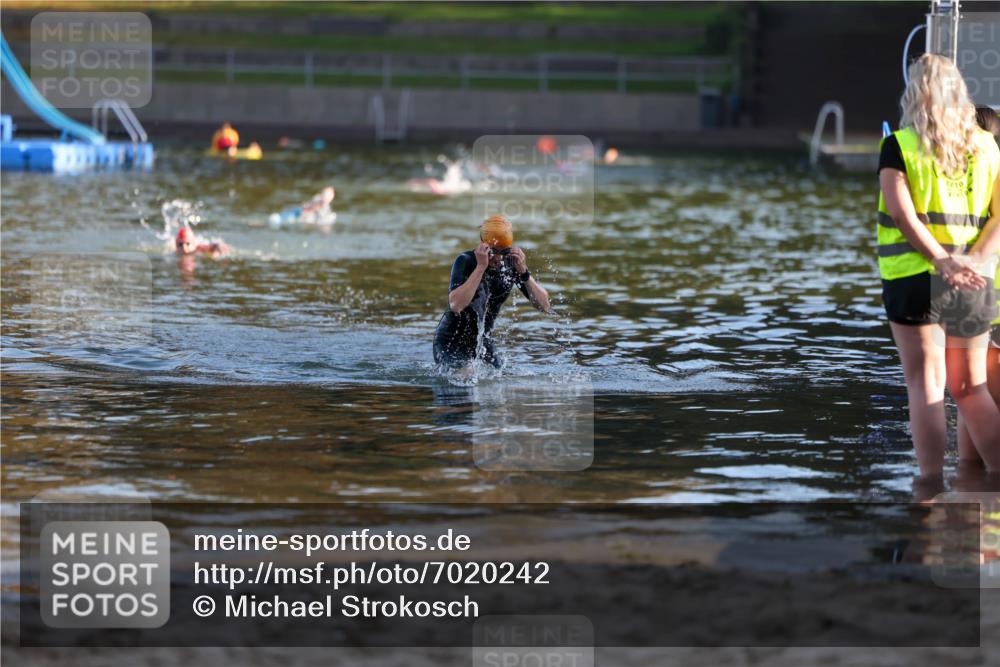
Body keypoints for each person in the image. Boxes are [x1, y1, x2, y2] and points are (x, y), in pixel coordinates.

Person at [877, 55, 1000, 478]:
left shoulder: (900, 145)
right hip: (973, 280)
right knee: (970, 389)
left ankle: (928, 491)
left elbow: (902, 216)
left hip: (912, 277)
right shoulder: (988, 146)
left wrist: (941, 261)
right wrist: (974, 261)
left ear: (916, 93)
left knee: (925, 386)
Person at [433, 215, 551, 371]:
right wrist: (481, 267)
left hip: (482, 342)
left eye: (505, 251)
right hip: (451, 341)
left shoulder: (511, 264)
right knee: (465, 375)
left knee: (503, 380)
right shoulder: (466, 261)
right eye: (494, 251)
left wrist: (524, 271)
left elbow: (544, 306)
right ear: (484, 245)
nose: (499, 258)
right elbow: (456, 305)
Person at [957, 107, 1000, 465]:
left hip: (984, 293)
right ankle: (973, 479)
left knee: (971, 392)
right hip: (985, 290)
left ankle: (975, 478)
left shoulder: (975, 176)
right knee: (971, 392)